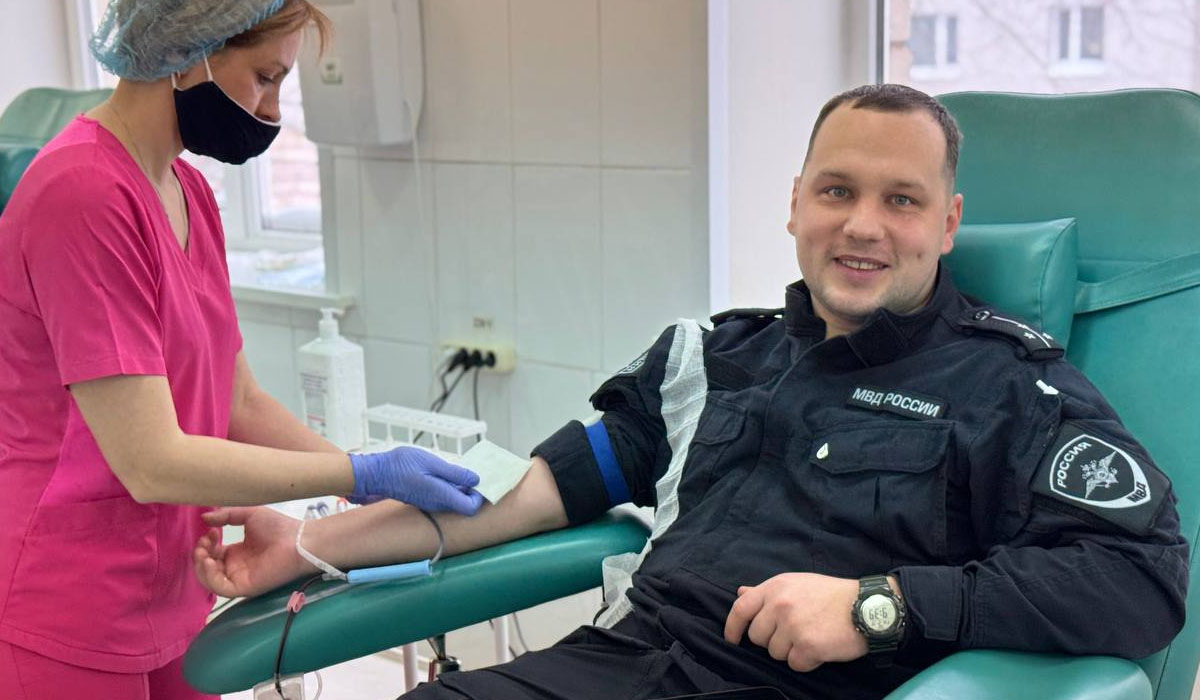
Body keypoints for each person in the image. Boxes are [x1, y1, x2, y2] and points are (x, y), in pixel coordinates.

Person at [192, 84, 1188, 700]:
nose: (863, 226)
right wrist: (308, 545)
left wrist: (879, 607)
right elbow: (527, 494)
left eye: (902, 201)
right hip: (618, 666)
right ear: (794, 203)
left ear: (949, 222)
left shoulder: (1013, 388)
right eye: (837, 191)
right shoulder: (708, 358)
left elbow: (1143, 580)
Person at [0, 2, 485, 698]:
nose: (271, 111)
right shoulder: (83, 194)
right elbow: (150, 461)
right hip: (66, 605)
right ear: (190, 47)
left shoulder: (190, 192)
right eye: (265, 77)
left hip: (173, 587)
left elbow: (240, 402)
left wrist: (363, 486)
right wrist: (356, 470)